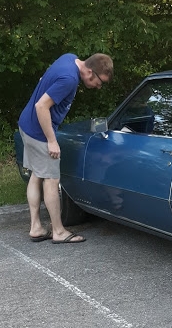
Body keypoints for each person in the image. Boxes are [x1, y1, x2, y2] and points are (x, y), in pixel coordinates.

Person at [18, 53, 114, 244]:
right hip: (39, 132)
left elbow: (45, 80)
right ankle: (59, 231)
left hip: (27, 125)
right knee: (52, 180)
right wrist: (51, 140)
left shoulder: (70, 59)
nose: (98, 86)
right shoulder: (69, 80)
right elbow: (41, 106)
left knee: (37, 175)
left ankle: (36, 227)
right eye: (99, 82)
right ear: (89, 71)